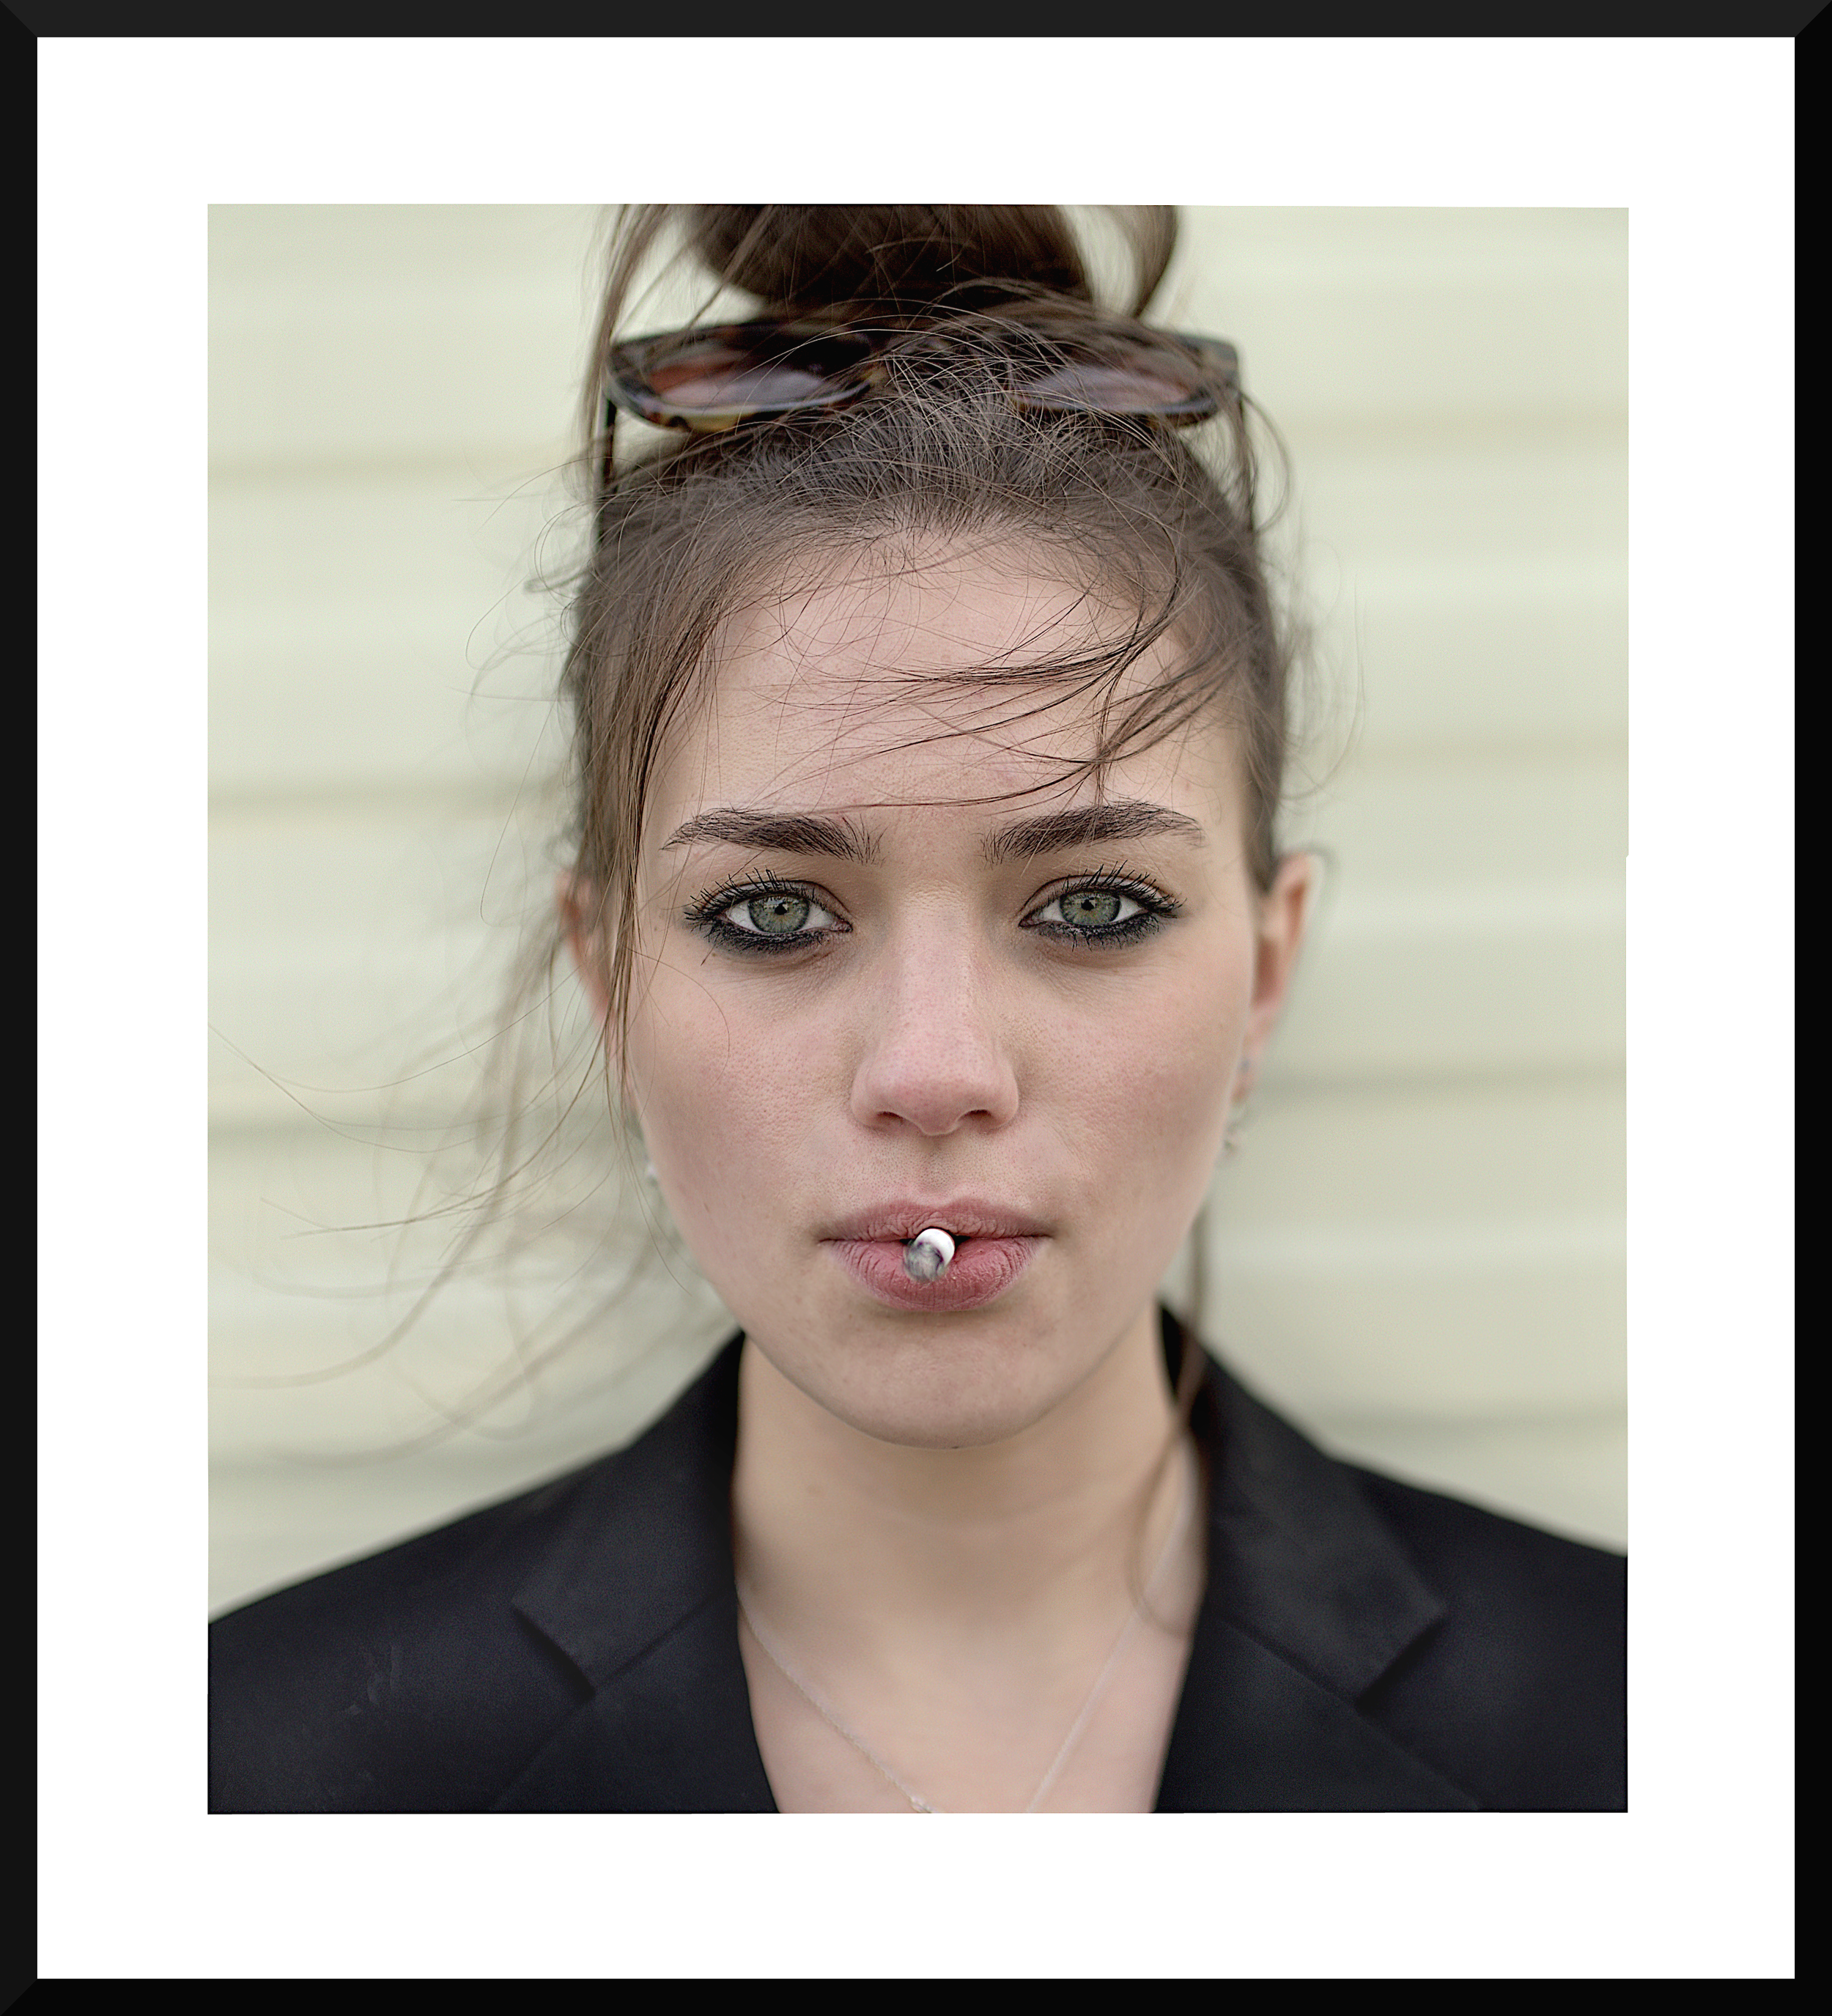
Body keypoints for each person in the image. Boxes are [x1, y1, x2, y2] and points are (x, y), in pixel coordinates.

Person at [208, 205, 1625, 1813]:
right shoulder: (247, 1774)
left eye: (1094, 906)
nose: (933, 1072)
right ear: (607, 980)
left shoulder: (1658, 1738)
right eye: (771, 914)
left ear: (1268, 968)